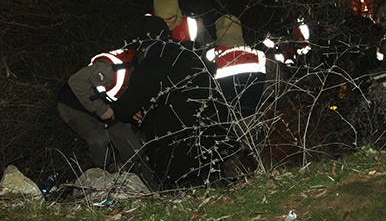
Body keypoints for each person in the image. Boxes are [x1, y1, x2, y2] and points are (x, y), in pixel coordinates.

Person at [111, 15, 237, 190]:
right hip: (213, 141)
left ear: (141, 45)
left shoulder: (151, 65)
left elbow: (123, 110)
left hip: (177, 158)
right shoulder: (192, 54)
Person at [57, 48, 146, 173]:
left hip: (106, 106)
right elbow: (76, 81)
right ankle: (99, 179)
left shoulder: (143, 74)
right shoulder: (111, 68)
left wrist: (129, 108)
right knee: (99, 140)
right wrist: (101, 109)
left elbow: (121, 92)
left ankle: (139, 181)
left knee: (133, 147)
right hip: (74, 106)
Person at [205, 14, 267, 117]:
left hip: (223, 117)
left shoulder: (210, 56)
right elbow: (271, 87)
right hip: (252, 115)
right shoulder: (258, 55)